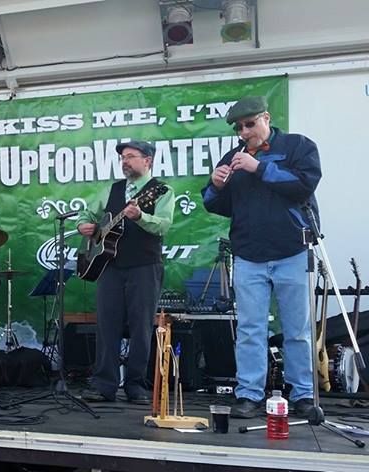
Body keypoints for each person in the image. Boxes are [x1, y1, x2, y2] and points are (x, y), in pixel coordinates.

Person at [202, 96, 320, 419]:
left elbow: (304, 185)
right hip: (249, 254)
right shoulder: (233, 157)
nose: (244, 132)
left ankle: (303, 394)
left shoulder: (297, 146)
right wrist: (215, 186)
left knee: (297, 330)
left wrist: (260, 168)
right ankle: (249, 394)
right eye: (239, 128)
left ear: (266, 118)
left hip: (292, 251)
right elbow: (215, 204)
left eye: (249, 124)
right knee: (250, 329)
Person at [75, 140, 174, 404]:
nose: (125, 161)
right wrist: (84, 225)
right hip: (110, 266)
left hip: (144, 266)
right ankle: (103, 385)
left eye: (131, 156)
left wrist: (140, 216)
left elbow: (163, 225)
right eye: (122, 158)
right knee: (107, 325)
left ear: (148, 160)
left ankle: (136, 385)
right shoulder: (112, 189)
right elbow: (87, 214)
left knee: (141, 327)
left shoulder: (161, 190)